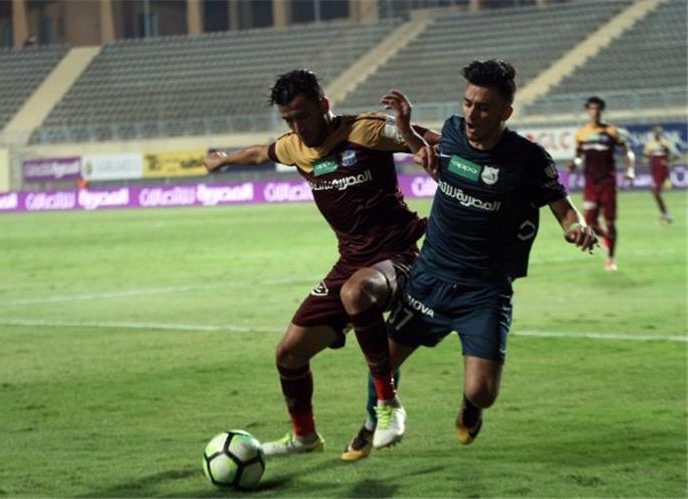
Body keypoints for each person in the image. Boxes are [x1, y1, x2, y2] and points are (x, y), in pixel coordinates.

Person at [342, 60, 598, 461]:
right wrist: (406, 129)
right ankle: (373, 422)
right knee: (381, 363)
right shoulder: (453, 131)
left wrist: (576, 228)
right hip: (431, 276)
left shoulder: (528, 159)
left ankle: (471, 406)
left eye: (483, 108)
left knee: (483, 391)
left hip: (483, 291)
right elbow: (432, 160)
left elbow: (564, 209)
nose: (472, 115)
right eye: (467, 104)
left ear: (505, 112)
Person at [202, 69, 440, 457]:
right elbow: (261, 152)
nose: (298, 127)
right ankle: (304, 438)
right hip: (351, 262)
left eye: (303, 116)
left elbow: (431, 140)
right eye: (288, 120)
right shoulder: (295, 147)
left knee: (356, 292)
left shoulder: (366, 130)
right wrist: (224, 161)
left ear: (324, 105)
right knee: (289, 354)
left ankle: (388, 404)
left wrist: (420, 137)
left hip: (397, 256)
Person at [567, 96, 634, 271]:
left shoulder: (612, 131)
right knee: (590, 224)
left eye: (597, 109)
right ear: (587, 111)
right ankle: (606, 237)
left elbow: (628, 151)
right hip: (590, 184)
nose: (594, 112)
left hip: (607, 182)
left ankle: (611, 258)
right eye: (591, 108)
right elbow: (578, 156)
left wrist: (630, 170)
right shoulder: (582, 133)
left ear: (601, 111)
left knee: (610, 222)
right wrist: (574, 163)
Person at [642, 125, 674, 224]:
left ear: (661, 133)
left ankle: (666, 214)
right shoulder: (649, 145)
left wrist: (667, 161)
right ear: (653, 133)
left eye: (659, 132)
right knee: (655, 192)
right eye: (656, 132)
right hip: (655, 172)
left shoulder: (665, 144)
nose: (657, 134)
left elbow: (673, 155)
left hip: (664, 172)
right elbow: (645, 157)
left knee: (657, 192)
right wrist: (647, 160)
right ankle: (665, 214)